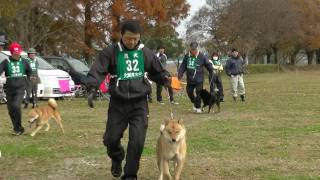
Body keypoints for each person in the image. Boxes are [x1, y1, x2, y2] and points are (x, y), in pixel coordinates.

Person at [82, 20, 171, 180]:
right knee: (110, 139)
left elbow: (156, 72)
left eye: (136, 38)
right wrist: (91, 87)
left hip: (139, 103)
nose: (132, 42)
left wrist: (165, 78)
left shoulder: (146, 53)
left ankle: (130, 174)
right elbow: (97, 71)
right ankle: (116, 157)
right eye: (129, 38)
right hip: (118, 103)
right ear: (121, 36)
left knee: (137, 141)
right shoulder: (111, 52)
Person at [0, 42, 31, 135]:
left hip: (20, 88)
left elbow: (30, 73)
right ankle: (16, 128)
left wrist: (29, 83)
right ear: (11, 53)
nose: (17, 55)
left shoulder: (24, 62)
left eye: (18, 53)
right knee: (11, 110)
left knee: (16, 106)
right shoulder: (6, 62)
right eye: (15, 53)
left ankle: (19, 128)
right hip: (9, 89)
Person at [178, 42, 213, 113]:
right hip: (190, 79)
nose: (193, 51)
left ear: (197, 48)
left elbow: (208, 64)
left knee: (198, 92)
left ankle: (198, 107)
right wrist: (180, 73)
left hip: (199, 79)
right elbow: (183, 65)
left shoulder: (202, 56)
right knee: (189, 92)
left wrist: (211, 70)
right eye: (192, 49)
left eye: (195, 49)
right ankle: (195, 102)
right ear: (190, 49)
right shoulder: (187, 56)